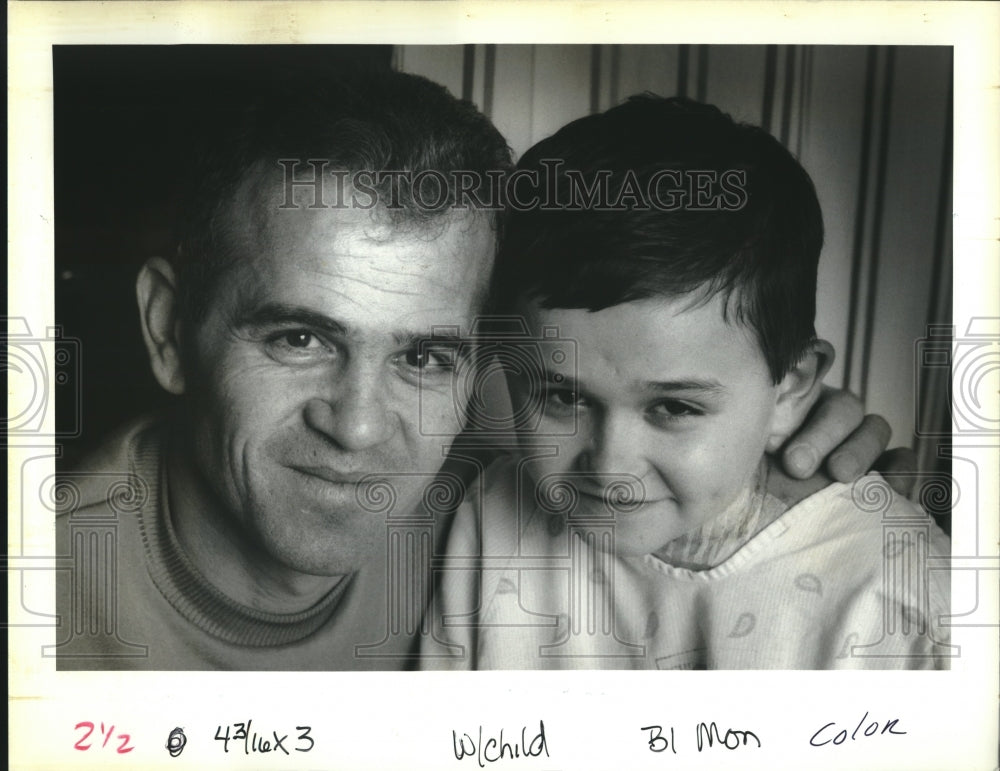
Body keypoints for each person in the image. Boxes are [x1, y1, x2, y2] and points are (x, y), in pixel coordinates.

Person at [54, 68, 908, 670]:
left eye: (424, 356)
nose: (355, 427)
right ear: (168, 330)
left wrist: (800, 453)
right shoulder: (45, 602)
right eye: (298, 340)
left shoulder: (504, 487)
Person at [430, 95, 950, 669]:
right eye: (562, 396)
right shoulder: (488, 520)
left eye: (674, 407)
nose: (610, 468)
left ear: (792, 387)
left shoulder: (909, 605)